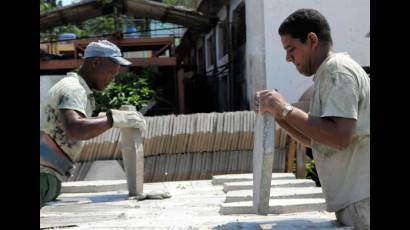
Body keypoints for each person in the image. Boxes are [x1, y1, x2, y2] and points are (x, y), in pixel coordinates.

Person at [255, 9, 370, 229]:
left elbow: (339, 137)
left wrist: (285, 108)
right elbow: (316, 140)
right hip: (355, 201)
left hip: (362, 202)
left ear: (311, 40)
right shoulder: (328, 73)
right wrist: (278, 115)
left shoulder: (337, 71)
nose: (288, 58)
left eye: (291, 49)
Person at [40, 40, 147, 208]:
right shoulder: (74, 89)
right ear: (95, 63)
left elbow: (73, 124)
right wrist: (113, 119)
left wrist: (107, 117)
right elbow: (75, 129)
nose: (112, 79)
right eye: (111, 73)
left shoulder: (72, 86)